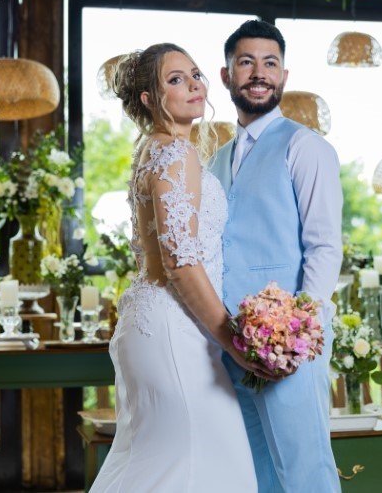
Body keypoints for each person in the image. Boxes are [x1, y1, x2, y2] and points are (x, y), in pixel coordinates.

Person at [90, 42, 265, 492]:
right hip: (173, 331)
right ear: (150, 99)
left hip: (154, 324)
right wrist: (234, 341)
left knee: (158, 465)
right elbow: (181, 262)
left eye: (195, 74)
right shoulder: (175, 153)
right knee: (202, 466)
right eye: (175, 79)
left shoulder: (153, 150)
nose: (193, 84)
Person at [209, 20, 344, 493]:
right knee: (253, 475)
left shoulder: (307, 147)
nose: (259, 73)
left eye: (270, 63)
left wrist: (300, 330)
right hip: (229, 342)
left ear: (284, 76)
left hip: (289, 345)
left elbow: (324, 246)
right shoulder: (216, 160)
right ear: (227, 76)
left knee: (305, 471)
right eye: (246, 62)